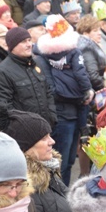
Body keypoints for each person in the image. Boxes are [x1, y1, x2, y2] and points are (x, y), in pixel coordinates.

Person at [35, 15, 93, 184]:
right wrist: (86, 91)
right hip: (65, 113)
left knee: (67, 160)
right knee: (62, 160)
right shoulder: (47, 56)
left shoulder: (46, 54)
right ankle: (61, 193)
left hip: (71, 109)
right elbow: (80, 74)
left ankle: (63, 192)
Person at [0, 27, 57, 128]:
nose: (29, 44)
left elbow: (47, 92)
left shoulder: (36, 64)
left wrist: (52, 116)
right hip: (24, 131)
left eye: (29, 40)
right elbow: (5, 107)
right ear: (12, 46)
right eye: (23, 41)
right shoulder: (2, 71)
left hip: (46, 126)